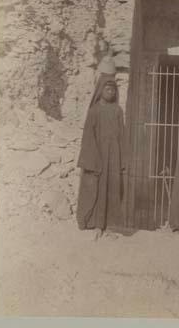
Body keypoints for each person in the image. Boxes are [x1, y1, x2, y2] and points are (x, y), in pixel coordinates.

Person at [76, 74, 126, 240]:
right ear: (100, 90)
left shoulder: (118, 111)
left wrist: (122, 160)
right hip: (98, 157)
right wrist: (92, 159)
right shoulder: (94, 111)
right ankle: (97, 225)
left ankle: (110, 225)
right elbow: (88, 137)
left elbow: (122, 136)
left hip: (115, 157)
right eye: (107, 88)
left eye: (113, 89)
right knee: (97, 190)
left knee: (113, 189)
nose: (111, 92)